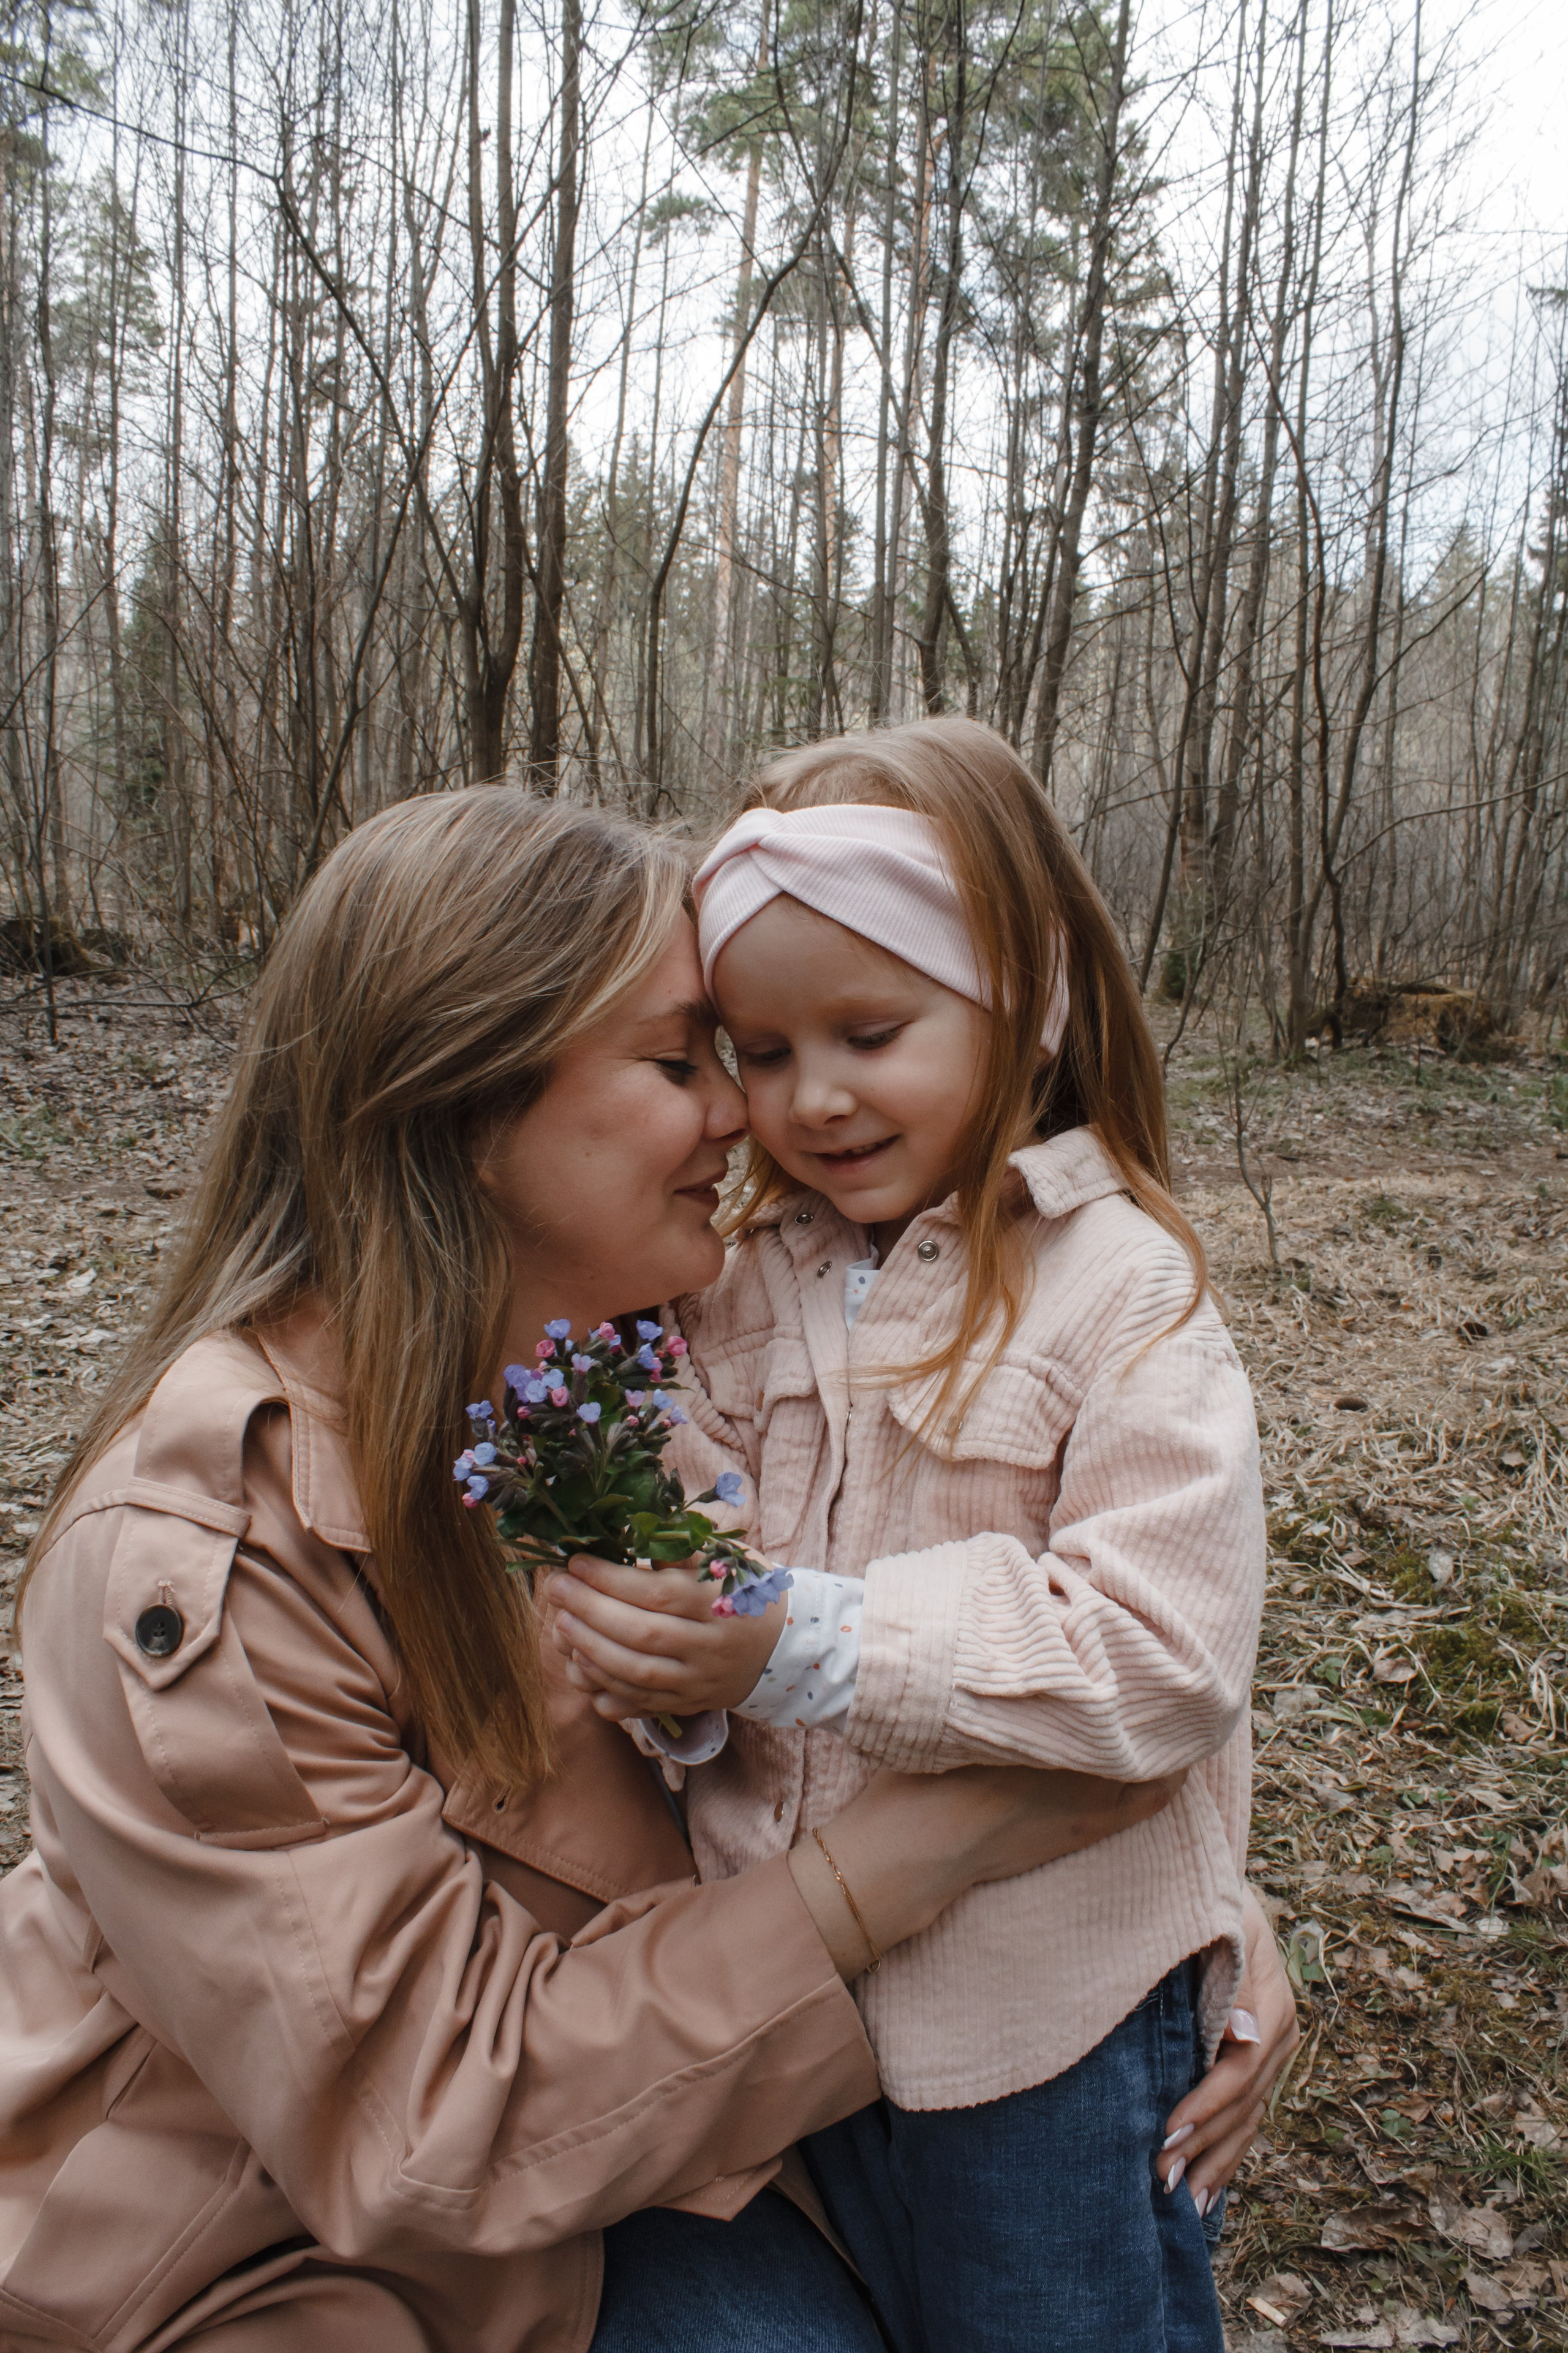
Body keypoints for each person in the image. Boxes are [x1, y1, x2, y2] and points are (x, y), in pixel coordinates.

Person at [0, 790, 1193, 2353]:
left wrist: (1176, 1931)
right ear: (466, 1110)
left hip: (653, 2132)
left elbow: (992, 1606)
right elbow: (424, 2122)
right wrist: (927, 1850)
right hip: (268, 2253)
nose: (744, 1113)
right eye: (682, 1061)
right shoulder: (205, 1554)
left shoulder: (641, 1373)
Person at [544, 717, 1278, 2352]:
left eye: (869, 1031)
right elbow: (687, 1564)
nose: (813, 1097)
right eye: (760, 1049)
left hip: (1047, 2036)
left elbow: (1164, 1656)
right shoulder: (738, 1286)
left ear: (1025, 1001)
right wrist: (682, 1673)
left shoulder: (1122, 1291)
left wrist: (805, 1640)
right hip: (791, 2015)